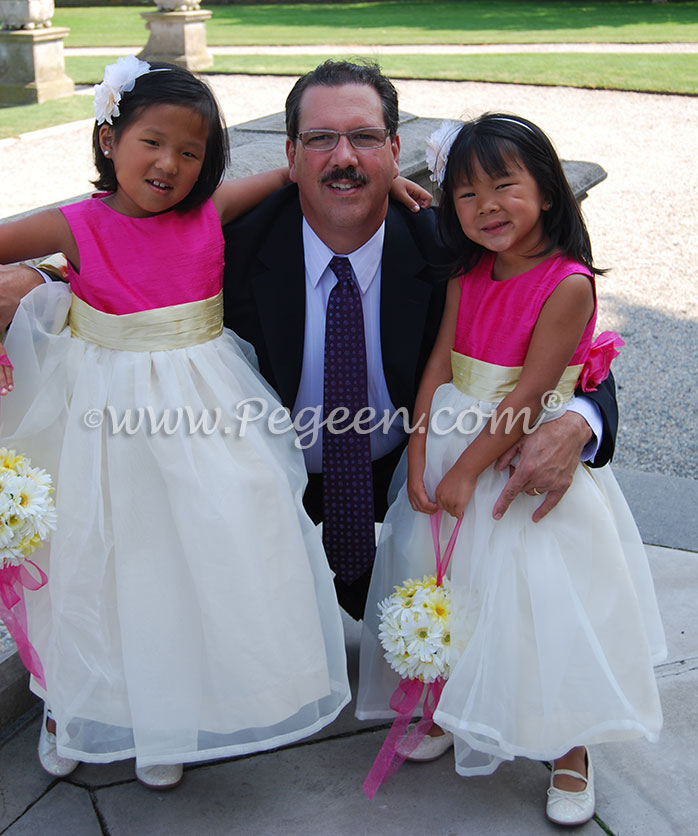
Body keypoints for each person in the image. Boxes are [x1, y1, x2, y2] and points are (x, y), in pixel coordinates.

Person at [0, 61, 618, 623]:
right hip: (261, 482)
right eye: (321, 139)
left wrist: (582, 421)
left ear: (395, 150)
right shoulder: (234, 244)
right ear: (290, 156)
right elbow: (136, 259)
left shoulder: (451, 248)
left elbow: (559, 330)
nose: (343, 158)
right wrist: (44, 274)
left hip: (411, 475)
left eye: (365, 138)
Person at [0, 56, 359, 790]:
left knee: (195, 558)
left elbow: (292, 176)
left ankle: (166, 712)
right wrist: (38, 282)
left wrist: (389, 183)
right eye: (151, 142)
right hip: (103, 418)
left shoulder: (208, 214)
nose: (169, 164)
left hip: (208, 413)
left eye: (191, 152)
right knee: (99, 561)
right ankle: (70, 704)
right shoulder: (76, 224)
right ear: (109, 139)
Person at [356, 114, 666, 826]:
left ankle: (569, 747)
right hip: (453, 438)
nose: (486, 206)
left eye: (504, 186)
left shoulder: (568, 286)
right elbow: (439, 362)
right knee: (452, 580)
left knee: (538, 604)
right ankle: (451, 702)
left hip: (515, 460)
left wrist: (467, 469)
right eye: (465, 195)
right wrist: (420, 452)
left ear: (549, 192)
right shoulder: (467, 274)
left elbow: (529, 394)